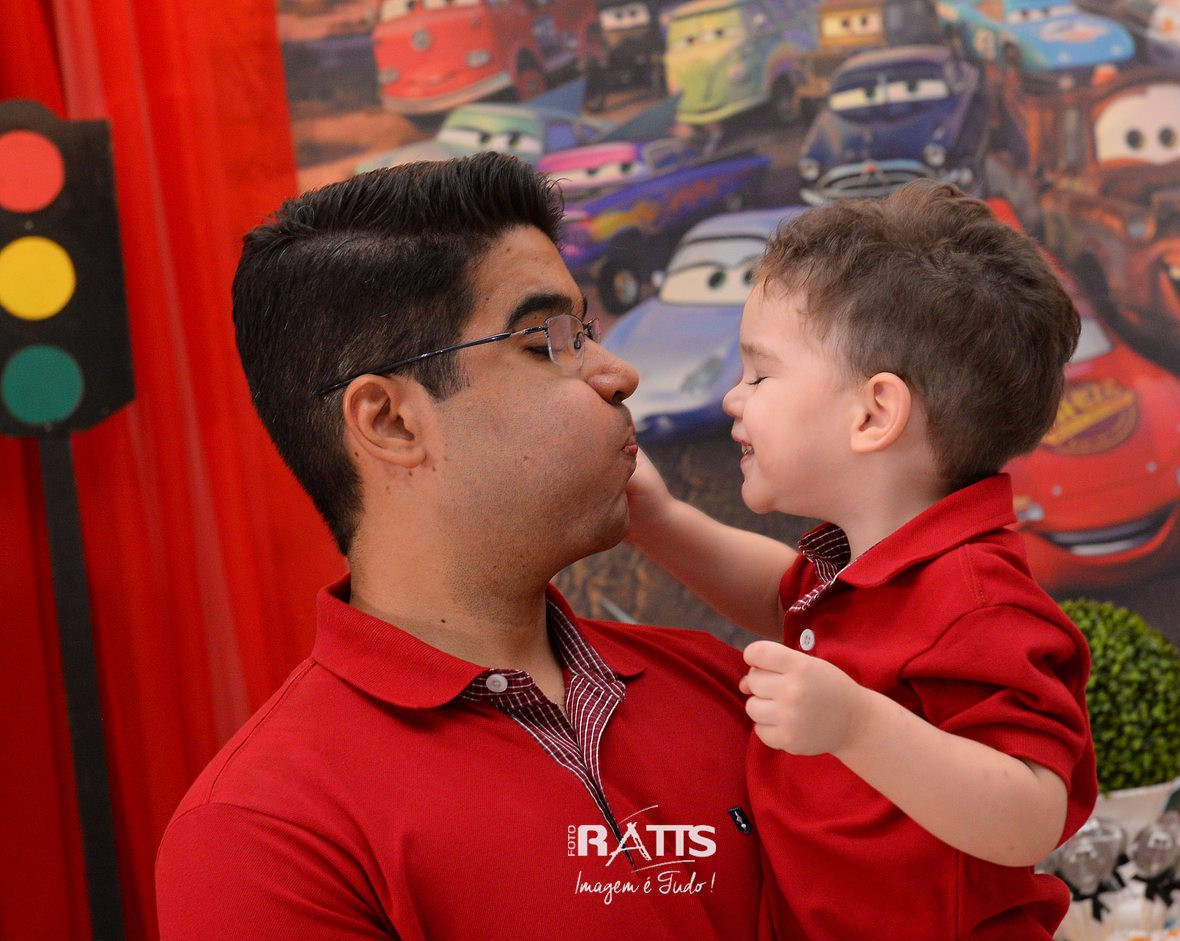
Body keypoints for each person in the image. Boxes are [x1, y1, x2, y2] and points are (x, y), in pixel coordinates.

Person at [154, 153, 762, 940]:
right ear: (390, 421)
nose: (619, 374)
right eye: (549, 340)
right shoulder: (264, 832)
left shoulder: (723, 687)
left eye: (585, 331)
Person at [626, 182, 1098, 939]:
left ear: (875, 413)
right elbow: (781, 598)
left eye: (759, 374)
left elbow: (1031, 814)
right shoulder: (862, 566)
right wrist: (662, 524)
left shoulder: (976, 599)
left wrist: (853, 723)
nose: (733, 400)